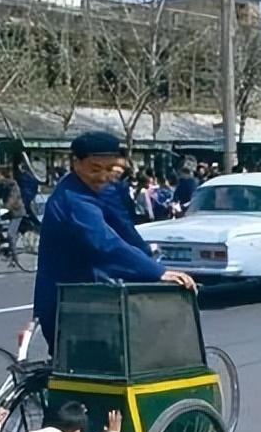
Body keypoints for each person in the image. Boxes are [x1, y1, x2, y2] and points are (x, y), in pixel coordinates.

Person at [32, 132, 195, 352]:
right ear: (76, 163)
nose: (102, 176)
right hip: (68, 301)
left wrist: (146, 255)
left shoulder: (97, 189)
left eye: (110, 170)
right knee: (86, 366)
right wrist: (156, 272)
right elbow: (104, 243)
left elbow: (123, 228)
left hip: (90, 295)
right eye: (95, 168)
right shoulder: (73, 199)